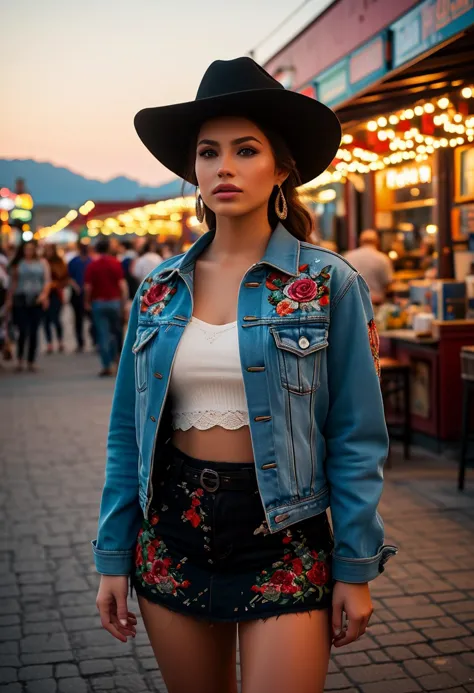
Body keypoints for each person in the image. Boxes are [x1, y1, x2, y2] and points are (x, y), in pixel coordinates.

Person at [92, 58, 397, 693]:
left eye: (245, 149)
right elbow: (127, 433)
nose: (223, 167)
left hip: (285, 537)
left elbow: (358, 437)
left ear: (282, 167)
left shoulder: (328, 285)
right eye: (208, 152)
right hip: (171, 532)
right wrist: (112, 556)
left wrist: (356, 566)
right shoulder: (157, 292)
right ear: (193, 171)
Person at [84, 238, 128, 377]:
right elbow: (122, 286)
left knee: (103, 334)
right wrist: (123, 302)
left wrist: (87, 301)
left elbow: (87, 287)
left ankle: (106, 365)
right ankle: (116, 360)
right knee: (116, 332)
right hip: (114, 302)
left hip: (98, 303)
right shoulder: (115, 263)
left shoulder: (93, 265)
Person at [6, 240, 50, 372]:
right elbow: (13, 282)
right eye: (26, 249)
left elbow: (47, 280)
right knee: (22, 330)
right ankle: (20, 359)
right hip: (21, 298)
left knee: (34, 331)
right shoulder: (18, 263)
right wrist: (9, 299)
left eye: (31, 249)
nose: (29, 252)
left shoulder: (42, 263)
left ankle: (31, 360)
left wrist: (44, 295)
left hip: (36, 299)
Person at [345, 229, 393, 305]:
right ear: (377, 242)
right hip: (375, 303)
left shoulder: (348, 256)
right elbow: (388, 284)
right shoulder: (382, 258)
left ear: (360, 241)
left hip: (352, 303)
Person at [68, 241, 94, 352]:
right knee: (79, 320)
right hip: (77, 294)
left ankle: (93, 339)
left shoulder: (90, 261)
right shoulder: (75, 261)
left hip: (88, 294)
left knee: (91, 319)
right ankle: (80, 342)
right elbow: (69, 277)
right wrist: (76, 286)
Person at [43, 244, 68, 353]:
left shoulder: (59, 263)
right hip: (45, 294)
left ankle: (60, 341)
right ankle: (49, 343)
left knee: (56, 319)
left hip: (55, 294)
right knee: (46, 320)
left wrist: (55, 284)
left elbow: (65, 278)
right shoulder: (42, 262)